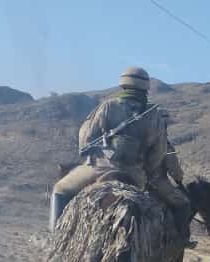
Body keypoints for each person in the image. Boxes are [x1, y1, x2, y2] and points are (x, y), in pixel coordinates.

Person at [50, 67, 192, 246]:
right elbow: (158, 154)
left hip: (100, 169)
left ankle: (55, 239)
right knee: (182, 204)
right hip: (136, 177)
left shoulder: (108, 106)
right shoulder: (154, 117)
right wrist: (144, 171)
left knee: (60, 189)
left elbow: (85, 139)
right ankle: (178, 242)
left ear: (123, 84)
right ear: (146, 88)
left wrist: (96, 153)